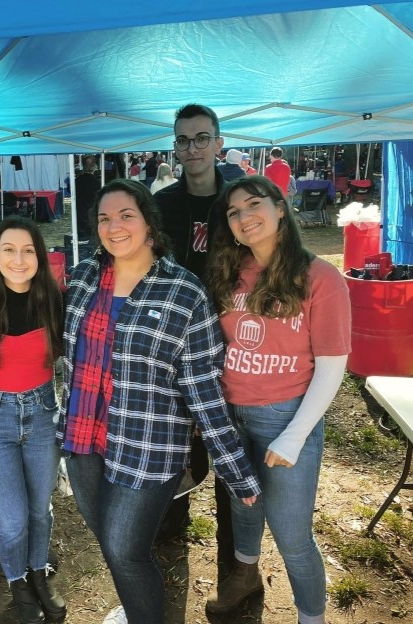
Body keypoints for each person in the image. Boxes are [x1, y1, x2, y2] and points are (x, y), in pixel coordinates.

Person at [57, 179, 261, 624]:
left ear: (150, 222)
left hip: (147, 448)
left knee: (125, 551)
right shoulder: (81, 278)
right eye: (105, 218)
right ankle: (136, 608)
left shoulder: (183, 293)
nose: (115, 226)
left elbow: (204, 390)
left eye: (126, 215)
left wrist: (235, 470)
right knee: (110, 543)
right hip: (82, 439)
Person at [203, 176, 351, 624]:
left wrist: (295, 435)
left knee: (293, 537)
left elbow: (331, 365)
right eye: (233, 212)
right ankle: (245, 576)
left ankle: (311, 617)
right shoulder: (231, 272)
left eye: (253, 205)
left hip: (286, 420)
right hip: (233, 416)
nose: (245, 217)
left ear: (280, 208)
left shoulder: (320, 277)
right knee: (243, 508)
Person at [0, 216, 66, 624]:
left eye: (28, 250)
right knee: (12, 517)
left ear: (39, 257)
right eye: (9, 249)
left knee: (40, 509)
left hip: (43, 412)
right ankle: (18, 583)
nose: (19, 258)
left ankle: (39, 572)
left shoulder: (53, 297)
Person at [153, 103, 235, 576]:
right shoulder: (162, 206)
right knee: (177, 442)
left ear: (219, 142)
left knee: (227, 442)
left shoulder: (239, 199)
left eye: (202, 137)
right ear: (175, 147)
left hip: (234, 342)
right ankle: (171, 530)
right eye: (184, 140)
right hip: (176, 344)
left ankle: (233, 556)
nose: (193, 148)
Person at [75, 155, 101, 239]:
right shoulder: (96, 182)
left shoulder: (77, 180)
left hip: (79, 210)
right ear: (94, 167)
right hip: (91, 210)